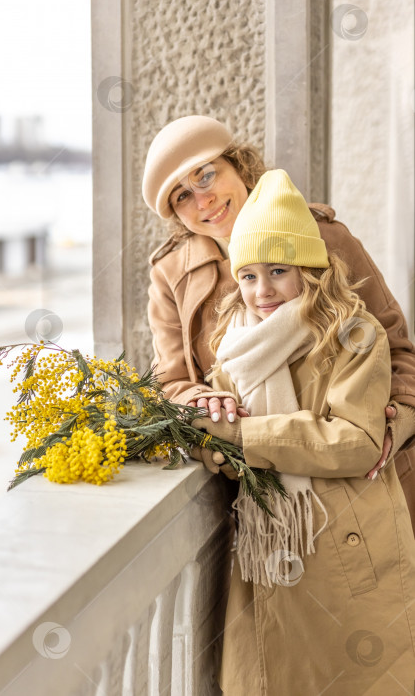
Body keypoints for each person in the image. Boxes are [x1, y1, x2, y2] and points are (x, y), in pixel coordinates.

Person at [191, 168, 415, 694]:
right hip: (272, 549)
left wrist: (241, 437)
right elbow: (214, 437)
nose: (261, 291)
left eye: (277, 271)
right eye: (247, 276)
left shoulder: (352, 333)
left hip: (343, 545)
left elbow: (356, 442)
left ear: (309, 270)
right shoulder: (237, 344)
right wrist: (212, 427)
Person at [142, 115, 415, 525]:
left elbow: (393, 344)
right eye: (181, 197)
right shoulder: (170, 273)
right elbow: (170, 381)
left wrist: (402, 414)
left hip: (366, 486)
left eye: (206, 176)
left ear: (239, 165)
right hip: (261, 496)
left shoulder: (323, 237)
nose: (202, 201)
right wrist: (201, 401)